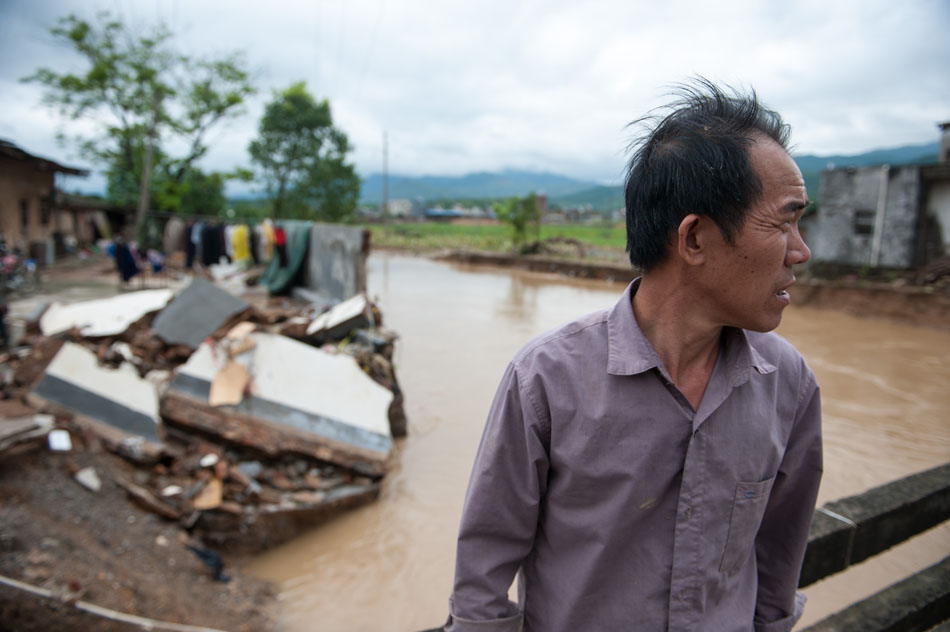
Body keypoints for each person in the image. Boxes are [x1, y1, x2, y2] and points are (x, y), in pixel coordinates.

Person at [445, 80, 822, 632]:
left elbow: (779, 556)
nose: (801, 251)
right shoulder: (546, 379)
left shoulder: (788, 384)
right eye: (785, 221)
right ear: (694, 239)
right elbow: (482, 573)